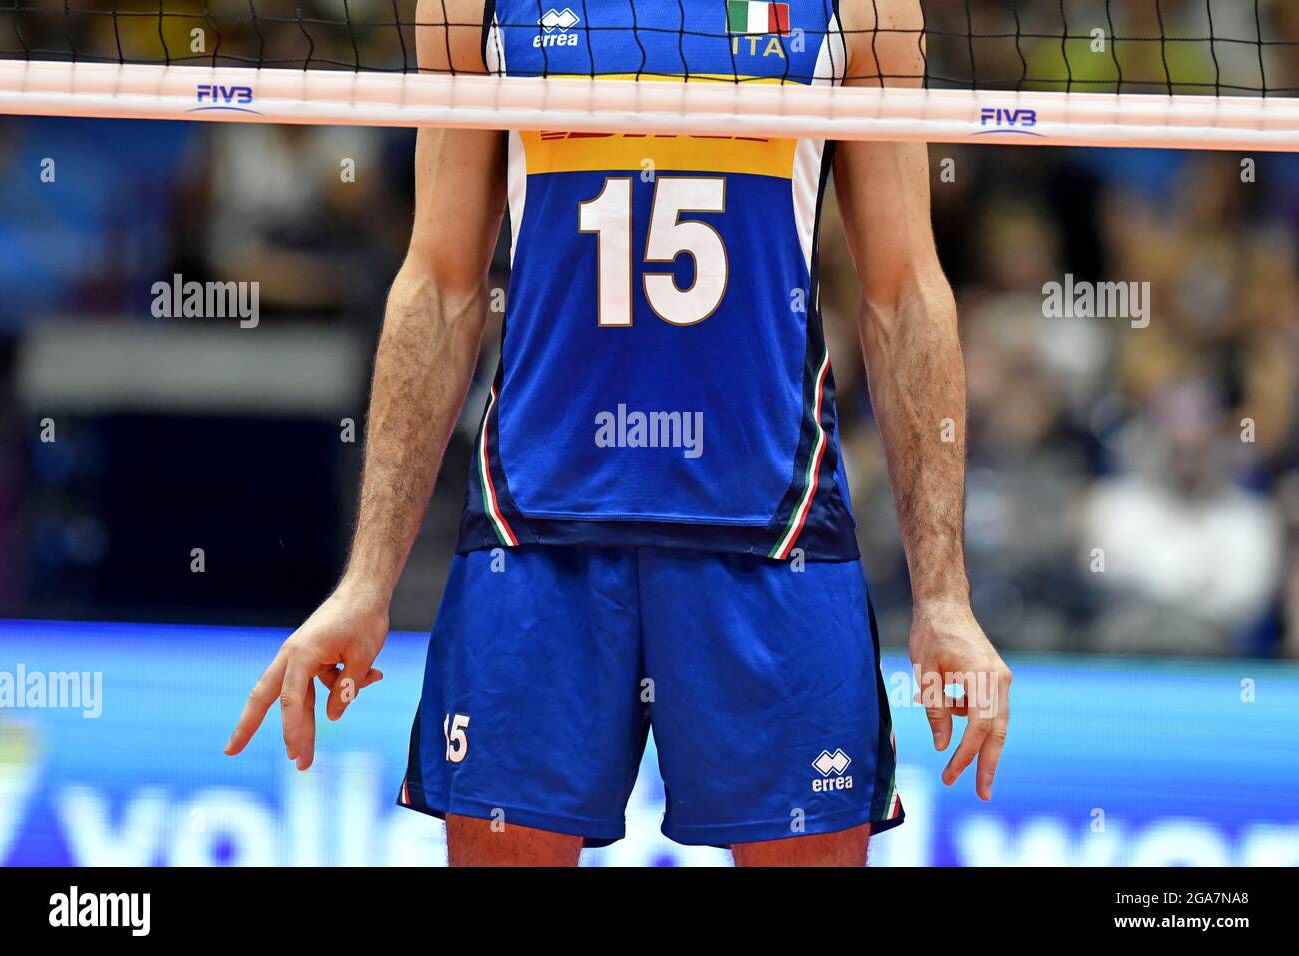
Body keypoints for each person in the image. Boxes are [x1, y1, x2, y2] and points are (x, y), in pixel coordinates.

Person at [226, 0, 1012, 867]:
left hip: (771, 524)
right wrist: (365, 583)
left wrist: (944, 597)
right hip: (535, 526)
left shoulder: (860, 8)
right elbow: (442, 285)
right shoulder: (470, 7)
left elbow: (904, 294)